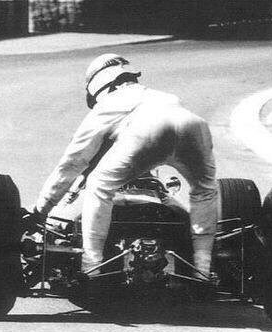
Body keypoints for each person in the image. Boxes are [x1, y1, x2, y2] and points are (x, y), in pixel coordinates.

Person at [32, 53, 218, 278]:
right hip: (193, 123)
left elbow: (73, 162)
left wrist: (40, 211)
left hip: (149, 130)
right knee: (205, 191)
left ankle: (91, 266)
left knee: (98, 184)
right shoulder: (162, 95)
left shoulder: (109, 102)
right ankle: (202, 271)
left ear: (100, 89)